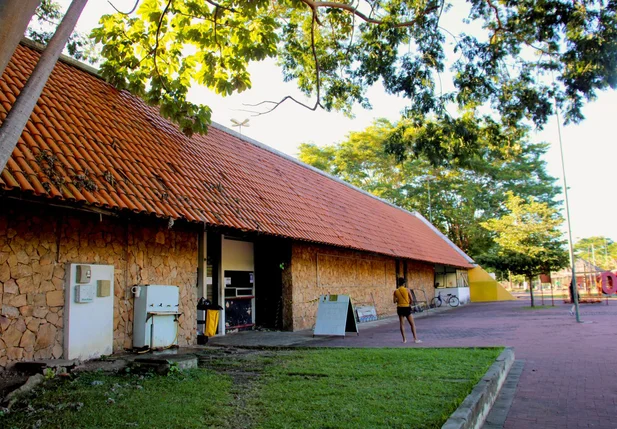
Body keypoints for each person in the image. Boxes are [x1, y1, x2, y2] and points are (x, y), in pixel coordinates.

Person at [393, 277, 422, 344]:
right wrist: (409, 303)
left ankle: (404, 340)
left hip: (399, 308)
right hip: (406, 307)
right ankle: (415, 339)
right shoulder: (407, 290)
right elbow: (411, 299)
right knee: (412, 324)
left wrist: (398, 299)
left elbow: (394, 301)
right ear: (404, 283)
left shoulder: (395, 291)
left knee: (402, 324)